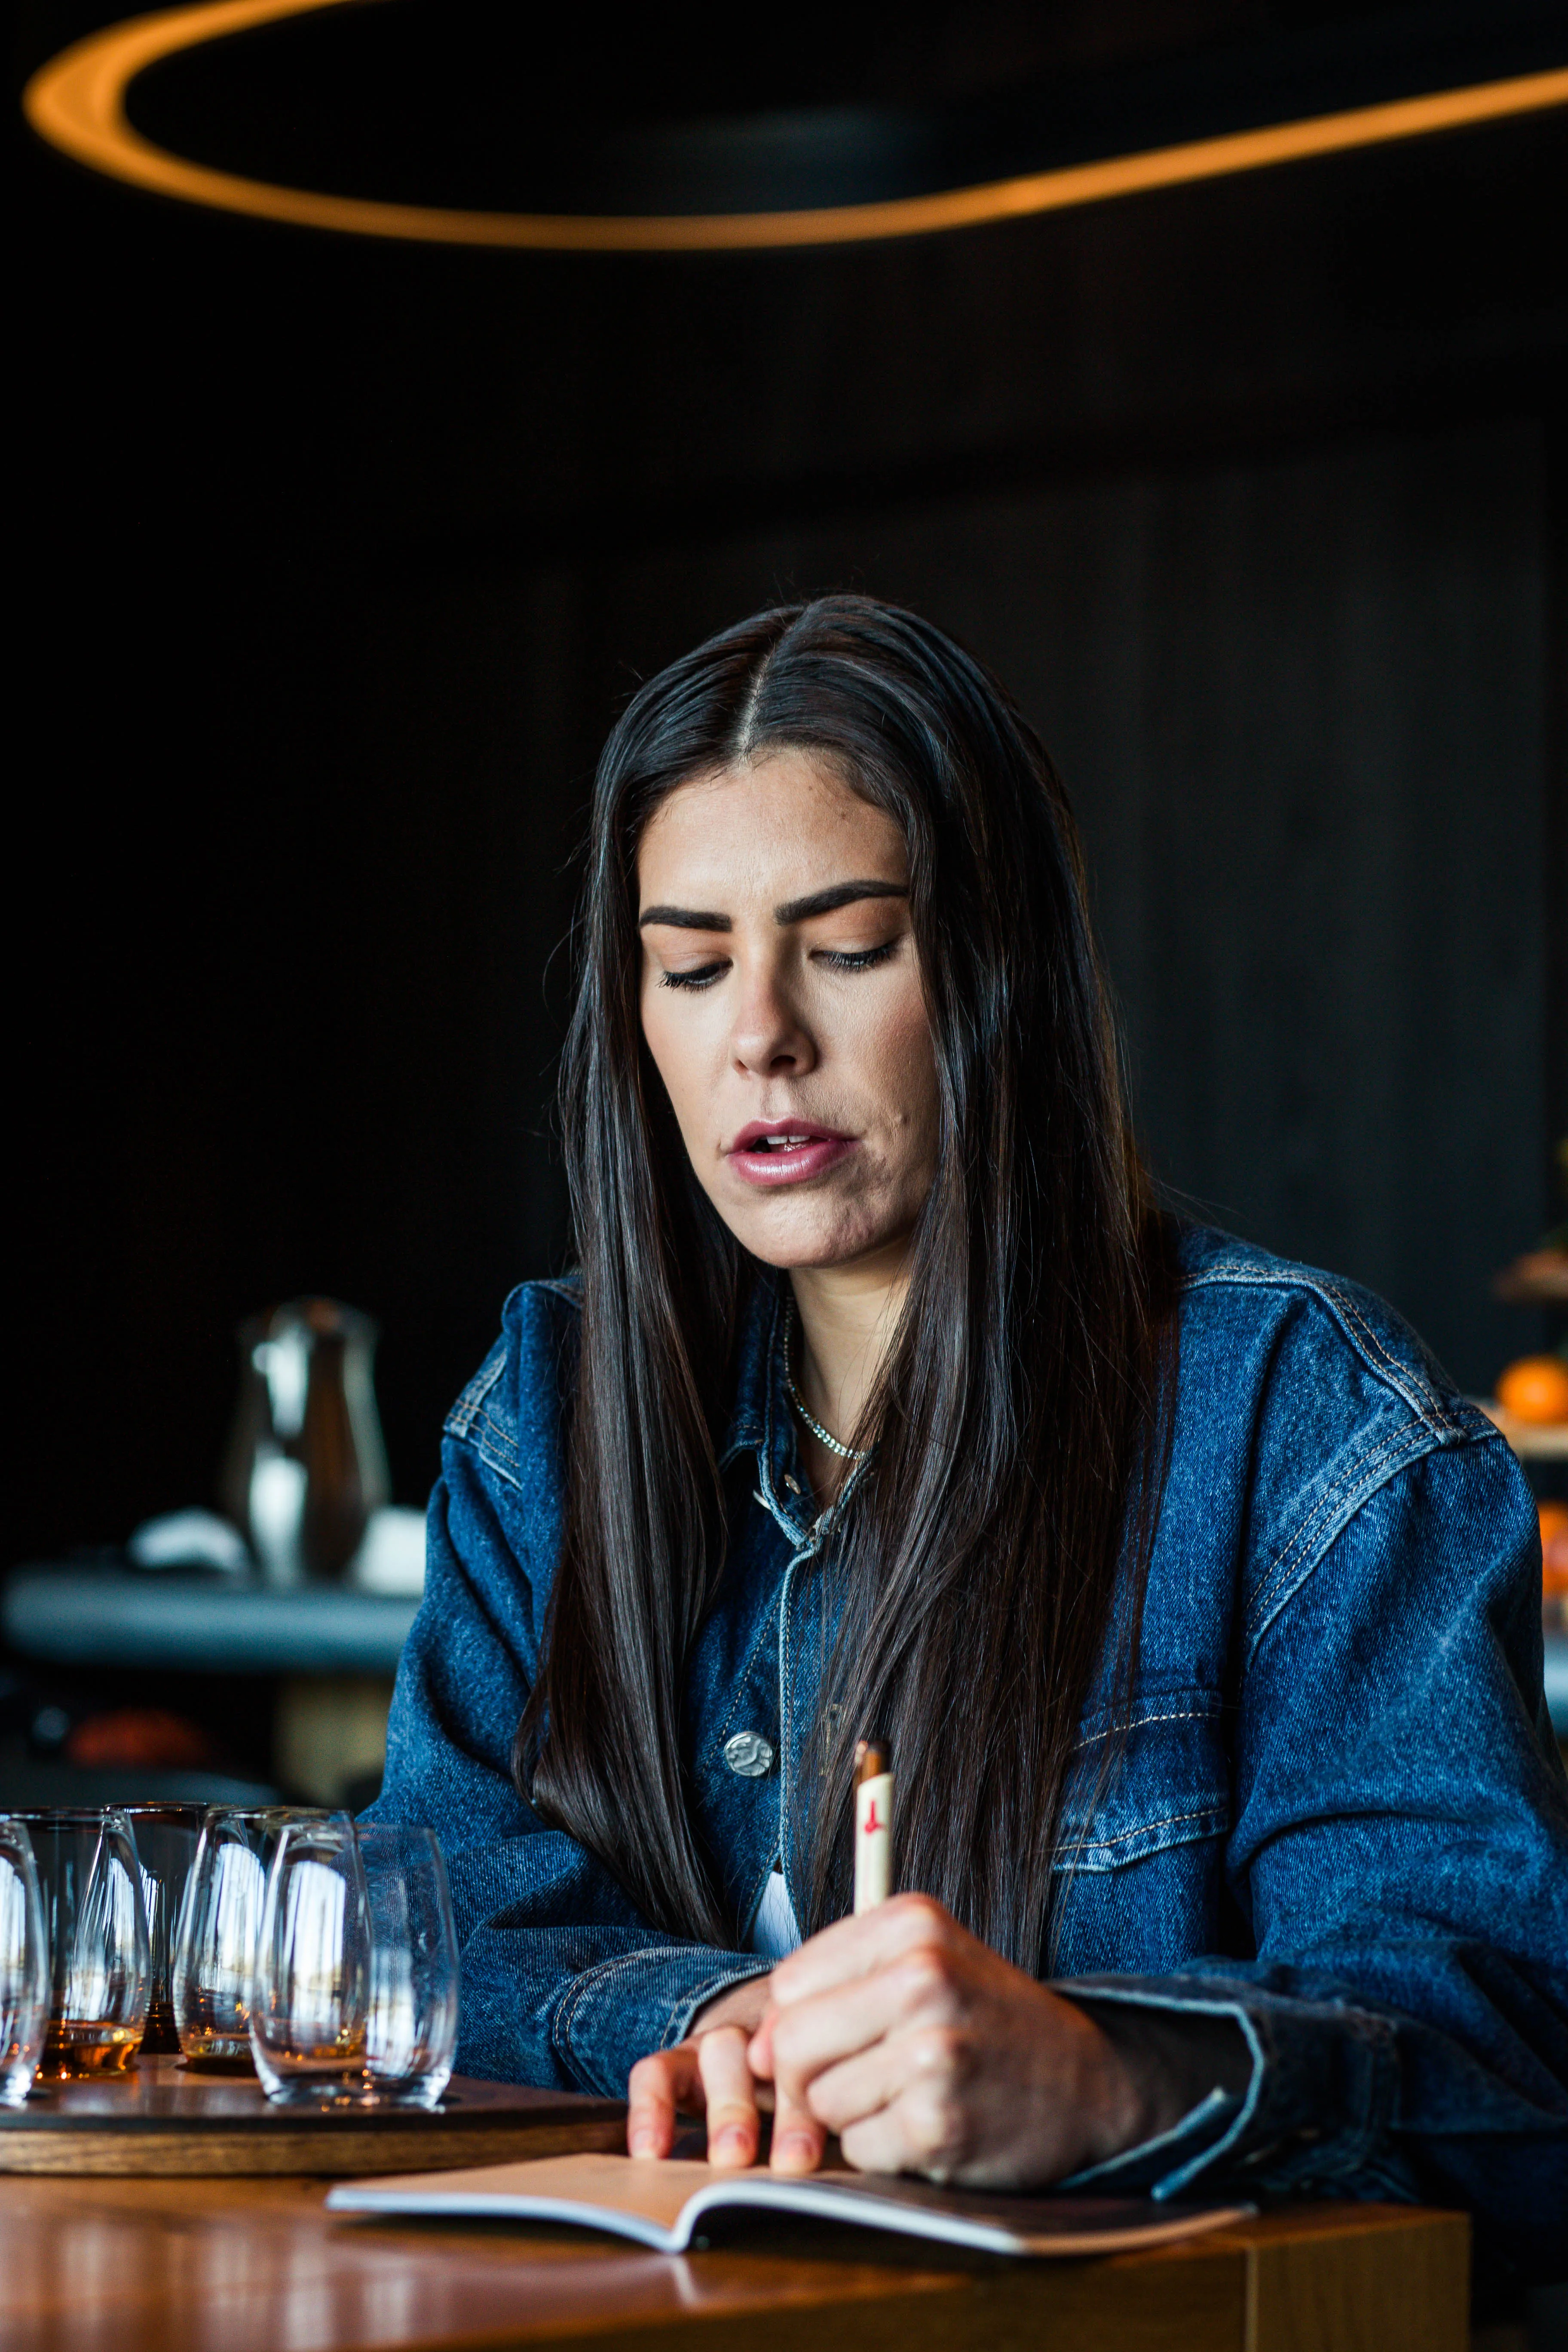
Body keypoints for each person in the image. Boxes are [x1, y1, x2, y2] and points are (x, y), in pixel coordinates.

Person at [368, 595, 1567, 2282]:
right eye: (693, 962)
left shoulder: (1307, 1423)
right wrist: (725, 2018)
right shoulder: (547, 1412)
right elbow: (417, 1926)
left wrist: (1097, 2075)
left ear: (997, 968)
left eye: (848, 947)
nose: (759, 1033)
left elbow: (1499, 2064)